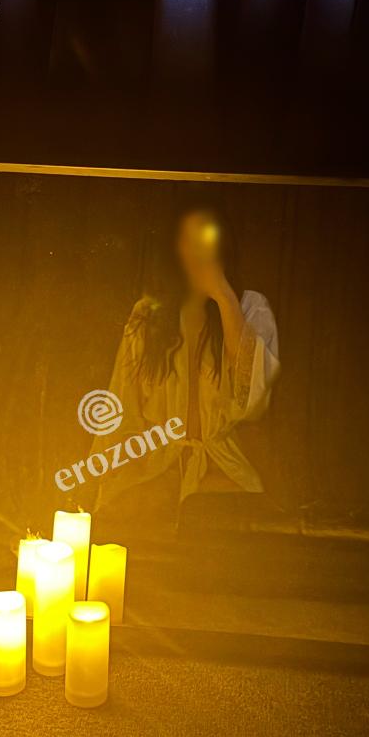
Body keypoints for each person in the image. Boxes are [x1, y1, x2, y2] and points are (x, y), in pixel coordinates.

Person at [92, 204, 281, 539]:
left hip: (222, 465)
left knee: (212, 519)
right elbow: (122, 401)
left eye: (207, 240)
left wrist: (224, 298)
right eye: (190, 241)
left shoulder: (251, 307)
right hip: (156, 464)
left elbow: (252, 397)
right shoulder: (148, 314)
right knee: (126, 515)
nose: (199, 252)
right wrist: (108, 472)